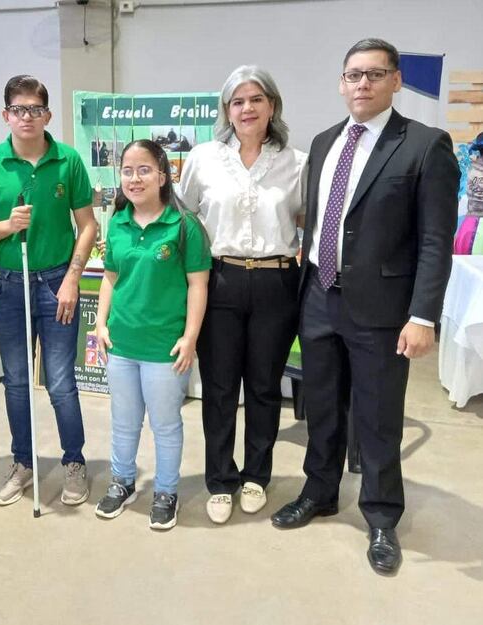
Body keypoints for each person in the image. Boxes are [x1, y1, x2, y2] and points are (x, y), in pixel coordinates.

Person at [270, 39, 459, 576]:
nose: (362, 84)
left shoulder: (425, 145)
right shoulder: (325, 141)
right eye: (353, 75)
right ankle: (320, 492)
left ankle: (381, 515)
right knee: (322, 408)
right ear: (341, 82)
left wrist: (423, 316)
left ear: (396, 81)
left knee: (377, 418)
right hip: (320, 300)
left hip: (383, 311)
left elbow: (434, 240)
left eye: (375, 75)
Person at [179, 66, 307, 525]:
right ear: (226, 111)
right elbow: (185, 217)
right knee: (218, 386)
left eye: (256, 99)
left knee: (264, 385)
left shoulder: (297, 161)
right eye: (238, 101)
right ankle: (220, 478)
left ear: (272, 106)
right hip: (221, 279)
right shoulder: (204, 158)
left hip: (276, 282)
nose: (247, 108)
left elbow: (309, 221)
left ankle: (257, 475)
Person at [0, 75, 97, 507]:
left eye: (36, 109)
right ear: (6, 114)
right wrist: (8, 226)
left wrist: (72, 279)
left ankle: (74, 463)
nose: (27, 117)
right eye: (19, 109)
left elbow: (88, 225)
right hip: (9, 284)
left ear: (47, 114)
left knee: (62, 383)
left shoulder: (68, 160)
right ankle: (23, 462)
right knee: (17, 383)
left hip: (57, 282)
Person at [94, 140, 210, 530]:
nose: (134, 177)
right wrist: (100, 322)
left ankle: (165, 491)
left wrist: (190, 336)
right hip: (122, 345)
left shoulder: (184, 226)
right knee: (124, 422)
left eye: (144, 169)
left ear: (163, 176)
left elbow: (198, 284)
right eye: (127, 170)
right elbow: (110, 277)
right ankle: (122, 482)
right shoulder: (119, 224)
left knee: (165, 424)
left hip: (165, 348)